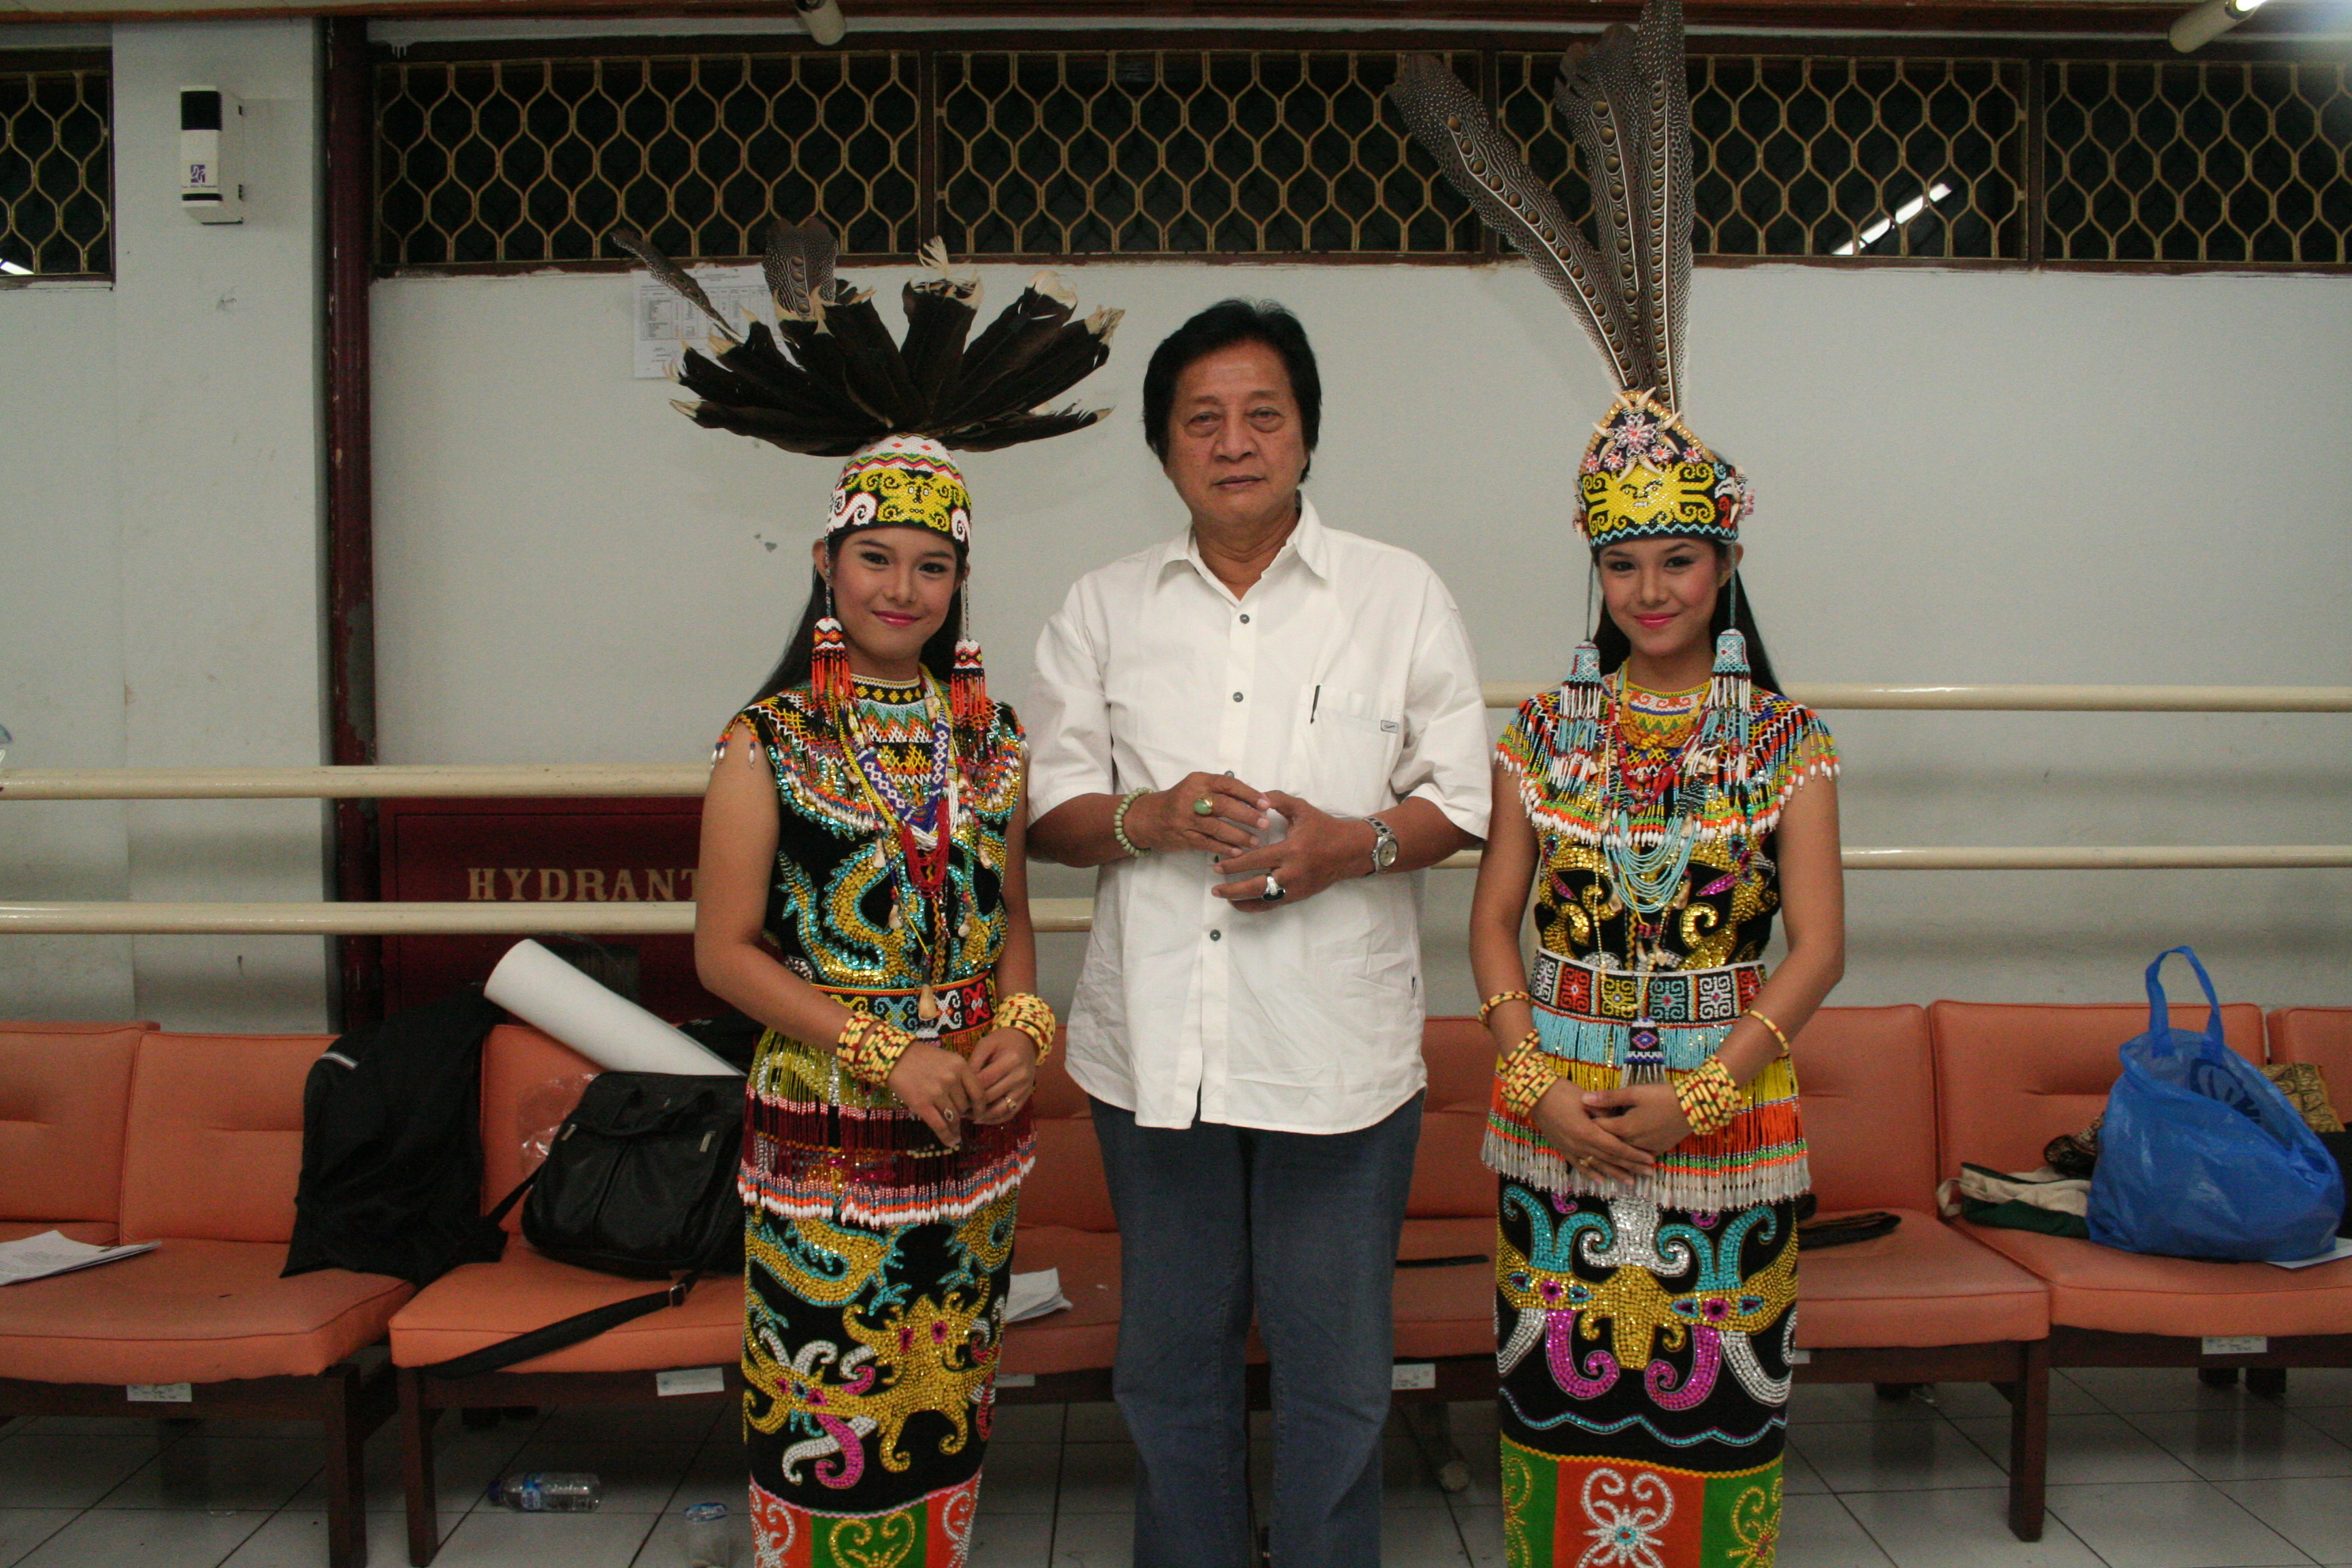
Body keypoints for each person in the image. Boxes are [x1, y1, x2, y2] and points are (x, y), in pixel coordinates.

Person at [1394, 3, 1845, 1561]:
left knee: (1716, 1399)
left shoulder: (1787, 741)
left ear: (1724, 567)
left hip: (1733, 1101)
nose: (1652, 591)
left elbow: (1821, 946)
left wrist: (1705, 1092)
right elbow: (1491, 922)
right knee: (1564, 1400)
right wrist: (1531, 1076)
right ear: (1596, 574)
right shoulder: (1539, 733)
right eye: (1625, 565)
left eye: (1679, 562)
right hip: (1558, 1103)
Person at [638, 222, 1120, 1562]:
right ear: (827, 565)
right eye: (878, 559)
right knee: (829, 1415)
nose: (904, 588)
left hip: (973, 1135)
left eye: (932, 564)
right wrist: (881, 1050)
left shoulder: (993, 738)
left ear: (960, 579)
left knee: (943, 1412)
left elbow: (1007, 922)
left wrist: (1024, 1030)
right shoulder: (767, 741)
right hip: (826, 1136)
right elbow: (724, 954)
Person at [1026, 299, 1491, 1568]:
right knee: (1170, 1368)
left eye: (1263, 415)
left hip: (1335, 1057)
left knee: (1339, 1378)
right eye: (1203, 420)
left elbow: (1462, 799)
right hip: (1156, 1055)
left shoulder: (1396, 594)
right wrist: (1149, 815)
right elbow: (1050, 817)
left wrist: (1350, 846)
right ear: (1164, 447)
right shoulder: (1102, 607)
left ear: (1307, 436)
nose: (1234, 443)